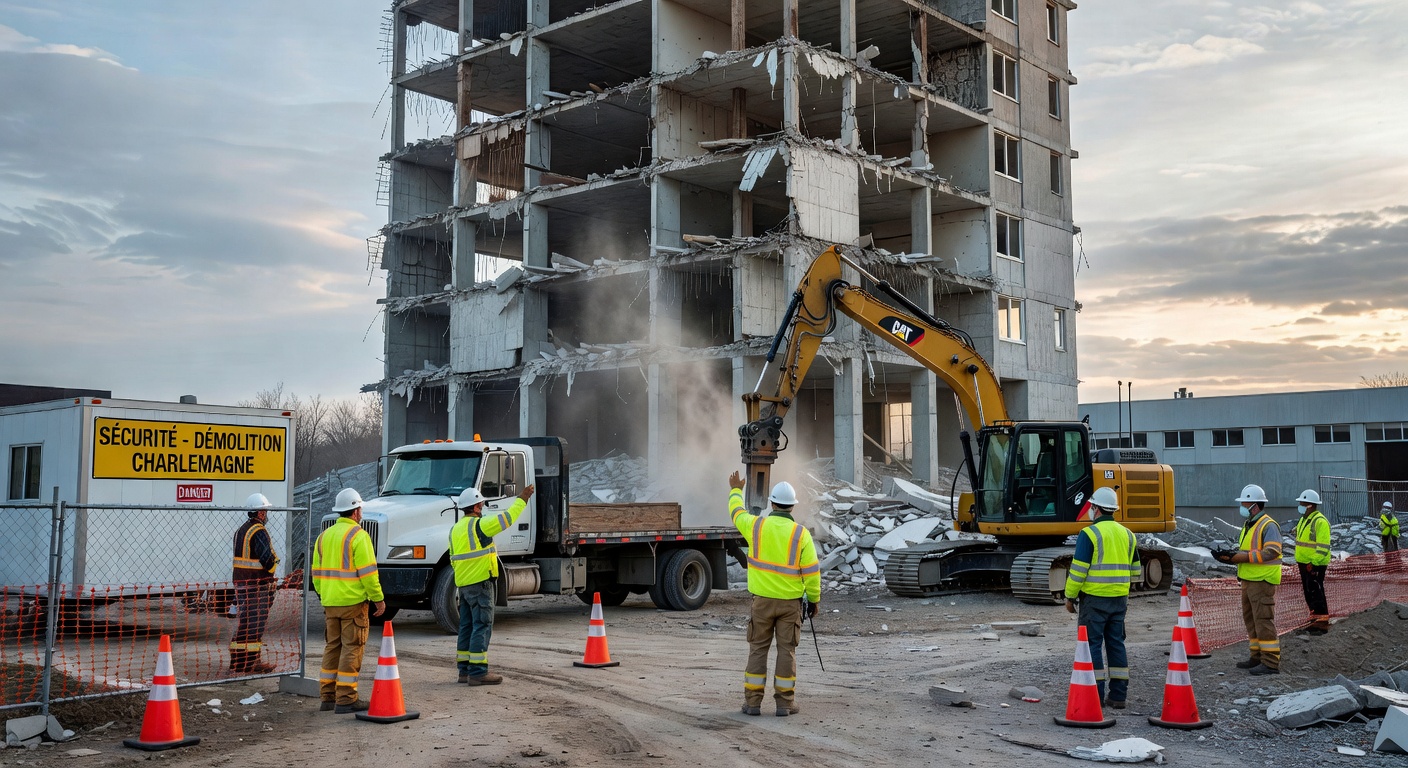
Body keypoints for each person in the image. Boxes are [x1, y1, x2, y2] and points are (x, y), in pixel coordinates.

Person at [727, 471, 820, 718]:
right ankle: (784, 704)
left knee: (758, 650)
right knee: (786, 651)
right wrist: (813, 600)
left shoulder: (756, 526)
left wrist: (736, 489)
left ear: (771, 503)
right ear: (792, 507)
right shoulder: (801, 534)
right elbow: (812, 572)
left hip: (762, 603)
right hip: (790, 605)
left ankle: (753, 704)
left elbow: (736, 514)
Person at [449, 482, 535, 685]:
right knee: (482, 625)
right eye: (482, 505)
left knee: (467, 626)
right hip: (481, 583)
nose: (483, 508)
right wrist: (522, 498)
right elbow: (507, 519)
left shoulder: (455, 529)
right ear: (477, 507)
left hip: (464, 585)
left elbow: (453, 558)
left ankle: (464, 671)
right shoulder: (481, 525)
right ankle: (478, 672)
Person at [1062, 486, 1138, 709]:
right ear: (1113, 510)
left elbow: (1078, 571)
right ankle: (1118, 696)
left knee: (1092, 646)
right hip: (1119, 599)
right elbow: (1135, 572)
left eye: (1090, 507)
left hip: (1094, 600)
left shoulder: (1089, 534)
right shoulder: (1128, 534)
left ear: (1095, 508)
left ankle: (1095, 694)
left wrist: (1070, 597)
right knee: (1116, 644)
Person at [312, 488, 385, 713]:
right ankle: (346, 698)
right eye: (360, 509)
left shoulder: (324, 536)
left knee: (332, 646)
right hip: (353, 603)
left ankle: (328, 697)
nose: (361, 513)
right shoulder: (359, 536)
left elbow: (315, 573)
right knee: (352, 648)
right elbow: (369, 574)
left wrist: (326, 594)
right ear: (354, 511)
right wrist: (378, 599)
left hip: (330, 602)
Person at [1214, 484, 1283, 676]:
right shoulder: (1250, 524)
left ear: (1254, 505)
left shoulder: (1268, 525)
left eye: (1244, 502)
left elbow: (1272, 551)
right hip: (1248, 579)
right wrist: (1231, 555)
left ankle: (1270, 662)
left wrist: (1241, 557)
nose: (1241, 506)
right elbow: (1249, 550)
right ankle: (1257, 656)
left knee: (1263, 620)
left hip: (1263, 580)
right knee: (1251, 620)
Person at [230, 493, 279, 674]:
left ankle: (237, 661)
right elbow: (267, 560)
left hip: (241, 583)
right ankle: (249, 663)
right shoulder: (259, 531)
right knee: (255, 625)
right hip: (256, 585)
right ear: (259, 513)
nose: (266, 514)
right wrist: (274, 565)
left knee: (245, 623)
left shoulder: (241, 530)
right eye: (265, 510)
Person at [1292, 490, 1331, 635]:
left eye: (1302, 503)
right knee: (1309, 592)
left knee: (1316, 591)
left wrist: (1314, 563)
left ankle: (1321, 624)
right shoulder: (1304, 519)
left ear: (1310, 505)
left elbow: (1323, 547)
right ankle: (1315, 619)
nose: (1300, 506)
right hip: (1304, 562)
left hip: (1314, 564)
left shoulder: (1320, 521)